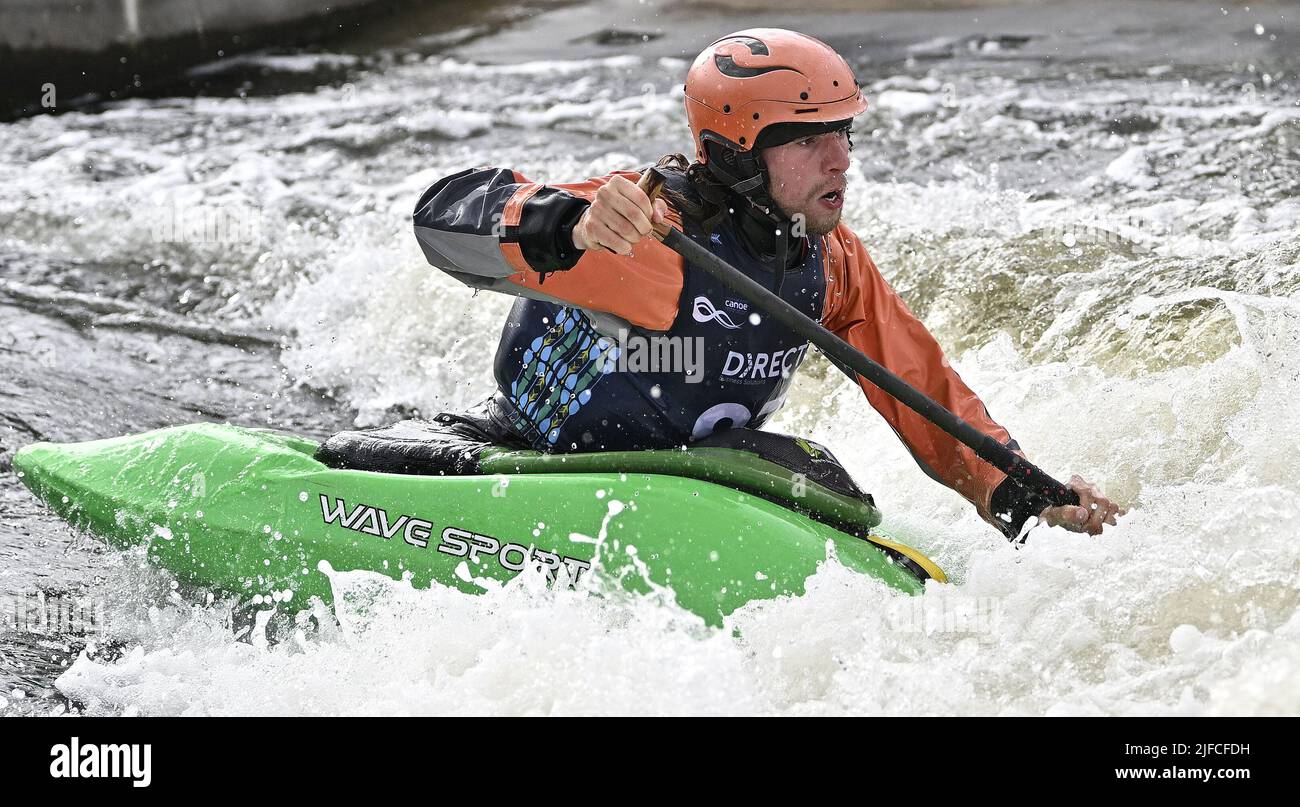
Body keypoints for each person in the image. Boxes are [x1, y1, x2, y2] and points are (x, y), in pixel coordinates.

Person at [410, 28, 1124, 539]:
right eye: (810, 139)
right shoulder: (641, 230)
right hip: (526, 455)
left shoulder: (831, 264)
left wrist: (1023, 490)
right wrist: (561, 223)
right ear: (737, 153)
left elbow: (925, 390)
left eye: (844, 133)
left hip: (687, 483)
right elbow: (441, 215)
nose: (840, 160)